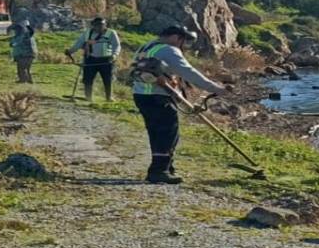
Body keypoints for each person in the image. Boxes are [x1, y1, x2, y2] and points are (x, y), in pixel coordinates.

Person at [131, 26, 229, 184]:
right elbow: (188, 72)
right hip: (158, 97)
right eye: (185, 42)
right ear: (176, 37)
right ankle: (159, 171)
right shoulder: (169, 50)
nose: (184, 46)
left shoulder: (148, 46)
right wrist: (216, 88)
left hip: (141, 95)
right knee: (168, 133)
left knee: (156, 132)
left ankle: (165, 166)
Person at [65, 16, 121, 101]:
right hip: (90, 59)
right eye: (97, 25)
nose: (99, 27)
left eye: (101, 25)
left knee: (107, 79)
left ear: (105, 25)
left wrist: (114, 55)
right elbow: (79, 43)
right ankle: (88, 98)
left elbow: (116, 46)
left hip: (106, 60)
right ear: (93, 25)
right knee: (88, 79)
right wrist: (70, 51)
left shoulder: (111, 33)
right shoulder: (87, 33)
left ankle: (108, 97)